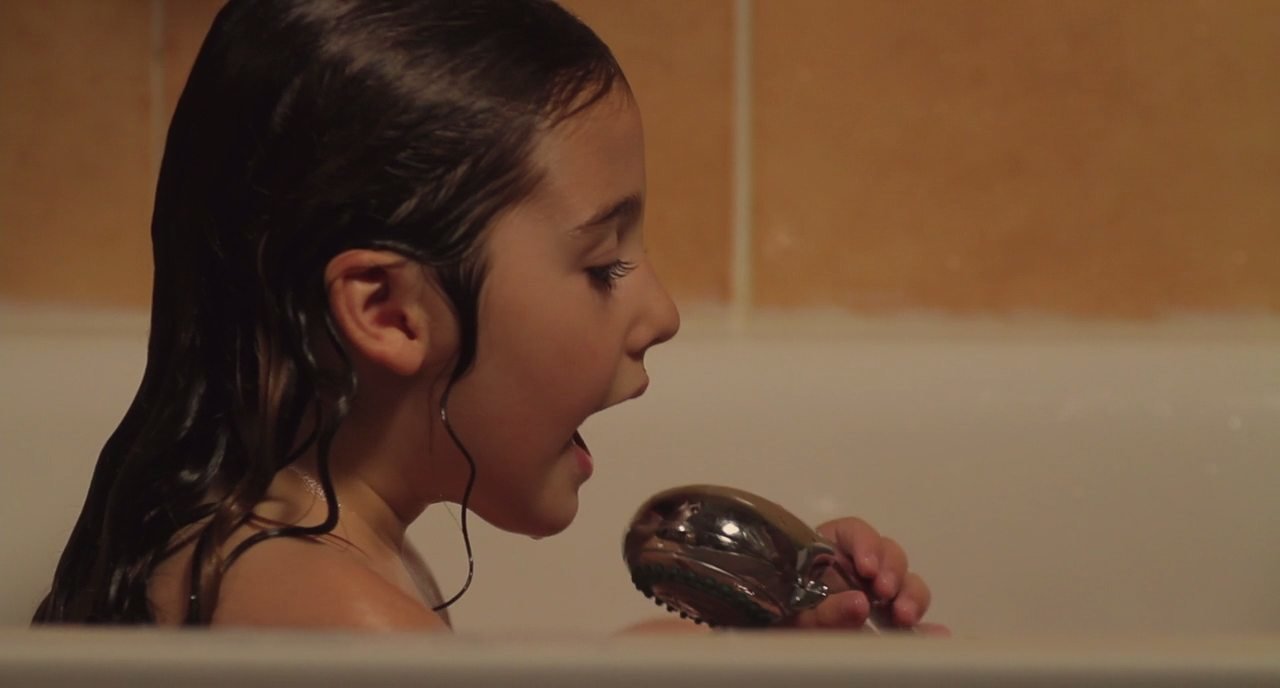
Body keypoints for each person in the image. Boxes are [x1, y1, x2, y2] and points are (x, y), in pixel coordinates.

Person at [33, 0, 940, 633]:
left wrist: (768, 644)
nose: (660, 313)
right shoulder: (333, 615)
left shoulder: (295, 551)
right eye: (603, 265)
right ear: (390, 312)